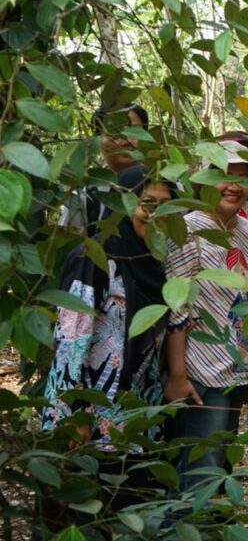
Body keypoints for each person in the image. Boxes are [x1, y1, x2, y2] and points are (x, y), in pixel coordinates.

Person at [44, 165, 177, 444]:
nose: (157, 216)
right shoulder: (95, 257)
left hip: (135, 416)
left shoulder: (155, 264)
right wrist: (74, 415)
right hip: (87, 416)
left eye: (166, 207)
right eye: (147, 205)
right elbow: (71, 340)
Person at [163, 140, 248, 492]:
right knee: (199, 472)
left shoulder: (246, 230)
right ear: (205, 180)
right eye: (223, 175)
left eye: (242, 177)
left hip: (236, 367)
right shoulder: (187, 229)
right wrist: (177, 375)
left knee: (217, 467)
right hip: (200, 370)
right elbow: (177, 305)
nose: (233, 185)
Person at [59, 102, 149, 233]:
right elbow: (67, 246)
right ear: (97, 141)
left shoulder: (168, 186)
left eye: (134, 132)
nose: (126, 141)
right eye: (114, 133)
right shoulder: (84, 198)